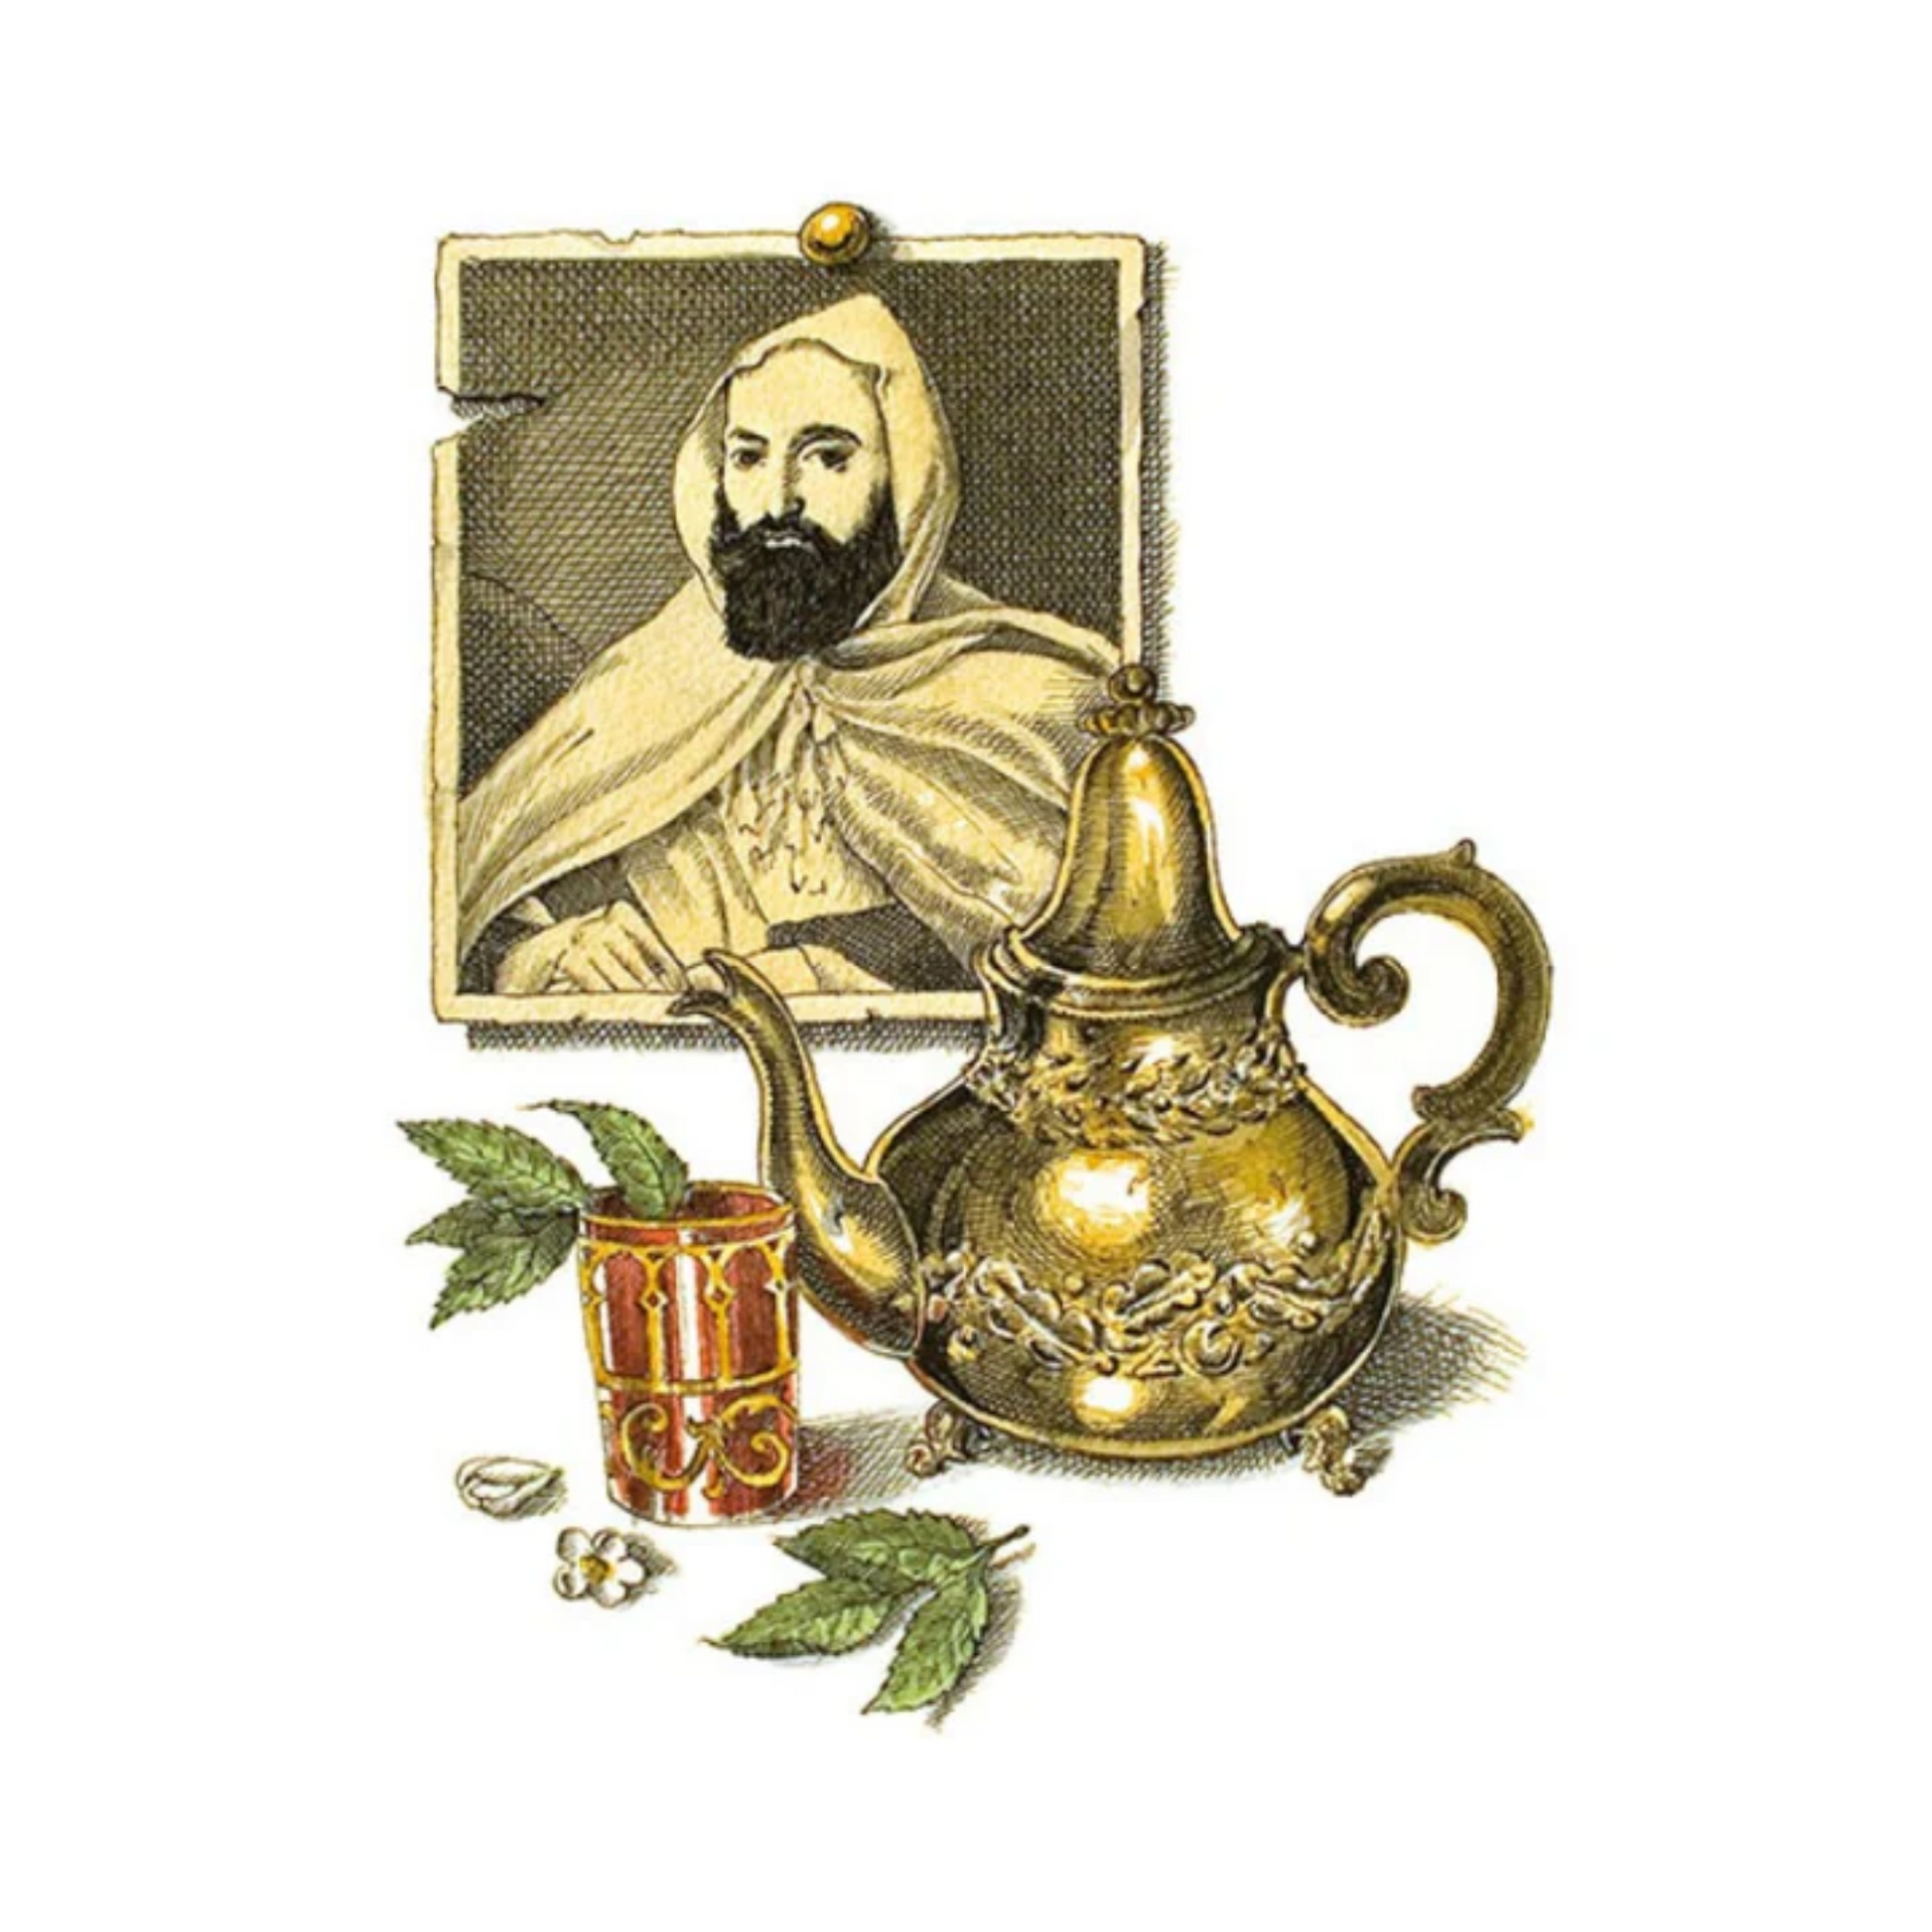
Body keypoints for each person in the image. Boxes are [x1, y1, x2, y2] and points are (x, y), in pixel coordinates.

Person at [456, 294, 1119, 997]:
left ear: (906, 477)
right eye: (747, 457)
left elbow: (1082, 942)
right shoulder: (649, 686)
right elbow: (479, 890)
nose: (776, 503)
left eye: (828, 457)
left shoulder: (1033, 698)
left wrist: (829, 965)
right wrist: (540, 951)